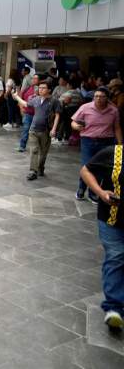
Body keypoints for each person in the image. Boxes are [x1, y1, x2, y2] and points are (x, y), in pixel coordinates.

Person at [79, 144, 123, 330]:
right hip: (111, 218)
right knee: (116, 256)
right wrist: (101, 192)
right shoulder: (114, 154)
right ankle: (114, 308)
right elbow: (86, 170)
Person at [73, 87, 123, 201]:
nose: (98, 99)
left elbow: (117, 128)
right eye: (96, 96)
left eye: (102, 97)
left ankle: (93, 192)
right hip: (88, 140)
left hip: (106, 142)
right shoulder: (85, 108)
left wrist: (120, 143)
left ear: (107, 98)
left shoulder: (113, 111)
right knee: (87, 165)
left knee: (100, 168)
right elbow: (73, 121)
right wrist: (75, 126)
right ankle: (81, 188)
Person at [12, 82, 61, 181]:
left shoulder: (54, 101)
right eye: (40, 88)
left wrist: (54, 129)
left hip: (46, 131)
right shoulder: (36, 99)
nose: (40, 89)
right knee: (34, 150)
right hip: (33, 129)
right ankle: (33, 171)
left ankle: (40, 167)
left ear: (49, 90)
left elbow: (57, 115)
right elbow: (26, 104)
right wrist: (16, 97)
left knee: (43, 153)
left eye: (43, 88)